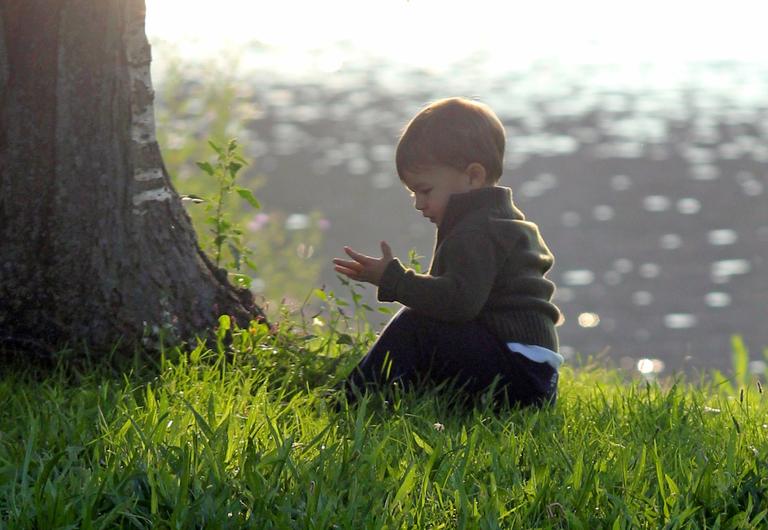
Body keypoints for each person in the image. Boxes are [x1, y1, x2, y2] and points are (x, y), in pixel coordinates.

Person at [331, 96, 563, 410]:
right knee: (426, 323)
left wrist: (393, 279)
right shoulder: (495, 219)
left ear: (473, 176)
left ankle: (346, 402)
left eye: (425, 191)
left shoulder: (478, 231)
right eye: (413, 193)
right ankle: (406, 396)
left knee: (415, 326)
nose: (418, 203)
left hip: (519, 377)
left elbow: (458, 303)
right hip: (532, 375)